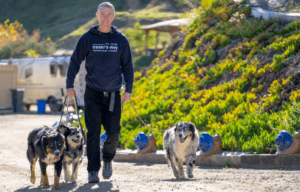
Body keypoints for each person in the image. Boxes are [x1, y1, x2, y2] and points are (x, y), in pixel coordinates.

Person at [66, 2, 134, 183]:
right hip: (93, 92)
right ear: (97, 16)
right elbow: (74, 61)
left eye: (108, 14)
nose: (105, 17)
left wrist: (129, 89)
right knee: (93, 133)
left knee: (113, 132)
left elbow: (128, 66)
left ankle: (108, 159)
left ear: (113, 17)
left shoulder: (121, 39)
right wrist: (69, 84)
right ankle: (93, 171)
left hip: (113, 95)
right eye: (102, 14)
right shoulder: (87, 38)